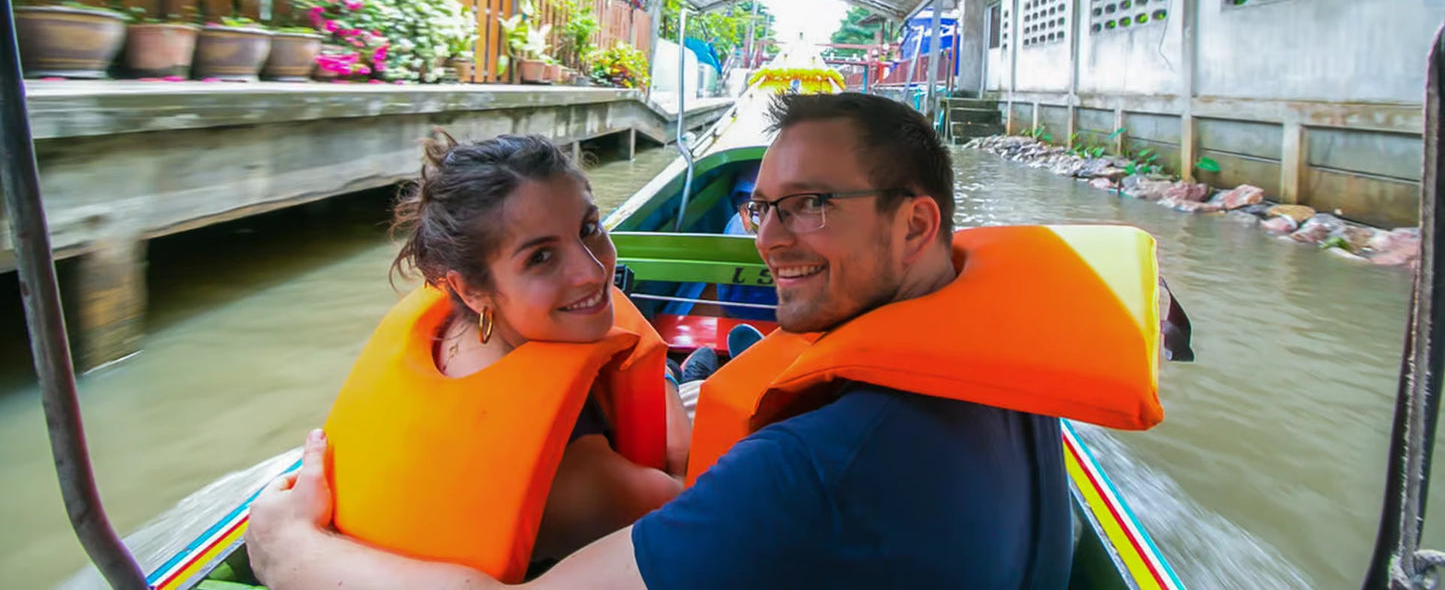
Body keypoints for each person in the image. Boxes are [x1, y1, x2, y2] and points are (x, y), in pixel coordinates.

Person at [249, 93, 1099, 589]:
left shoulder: (805, 471)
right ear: (470, 290)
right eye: (763, 206)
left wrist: (287, 545)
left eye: (810, 204)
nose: (768, 238)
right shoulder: (988, 364)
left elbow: (727, 489)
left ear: (916, 223)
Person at [314, 132, 690, 583]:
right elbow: (689, 508)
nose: (593, 271)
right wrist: (662, 380)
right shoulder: (573, 479)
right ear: (470, 289)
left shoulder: (452, 331)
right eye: (541, 257)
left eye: (589, 228)